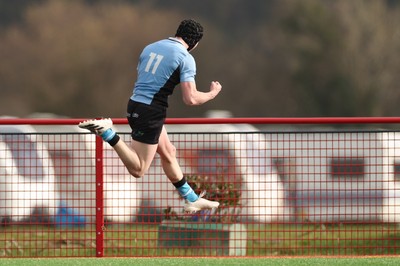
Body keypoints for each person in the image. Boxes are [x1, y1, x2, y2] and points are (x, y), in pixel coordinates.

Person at [79, 19, 222, 213]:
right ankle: (108, 133)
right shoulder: (185, 57)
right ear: (195, 43)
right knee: (139, 169)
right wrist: (212, 93)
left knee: (168, 152)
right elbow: (191, 99)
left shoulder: (150, 47)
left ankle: (191, 198)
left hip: (136, 104)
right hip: (151, 111)